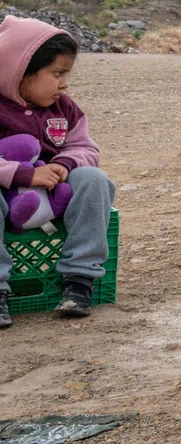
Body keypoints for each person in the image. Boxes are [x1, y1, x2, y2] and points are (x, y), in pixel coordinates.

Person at [0, 18, 116, 326]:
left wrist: (63, 164)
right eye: (57, 73)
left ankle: (78, 279)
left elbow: (87, 149)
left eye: (67, 74)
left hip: (54, 195)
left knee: (94, 180)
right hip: (6, 193)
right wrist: (22, 176)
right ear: (18, 71)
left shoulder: (64, 108)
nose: (64, 83)